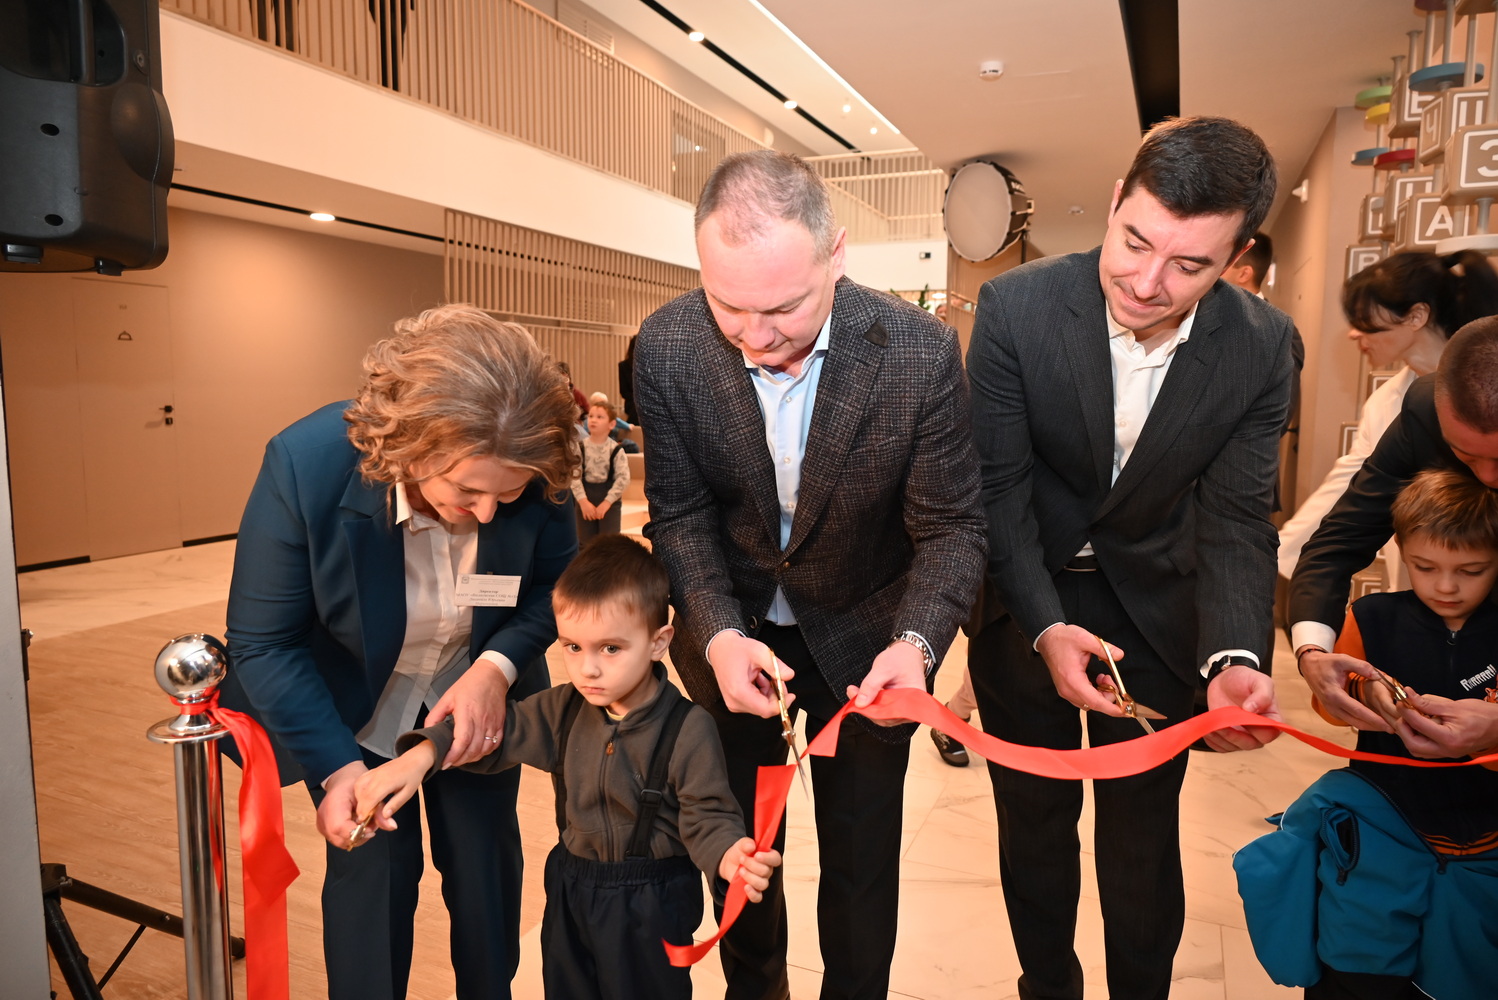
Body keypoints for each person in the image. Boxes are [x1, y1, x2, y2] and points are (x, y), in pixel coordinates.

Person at [634, 149, 987, 1000]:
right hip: (735, 646)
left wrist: (917, 642)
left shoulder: (917, 352)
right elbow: (679, 515)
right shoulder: (669, 346)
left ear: (837, 255)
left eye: (784, 307)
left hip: (870, 645)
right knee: (742, 855)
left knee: (863, 870)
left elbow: (952, 527)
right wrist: (717, 635)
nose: (757, 336)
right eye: (730, 306)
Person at [965, 116, 1290, 1000]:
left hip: (1154, 611)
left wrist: (1232, 656)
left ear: (1236, 256)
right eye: (1134, 240)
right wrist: (1044, 626)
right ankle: (1049, 987)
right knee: (1033, 824)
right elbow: (996, 493)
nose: (1147, 283)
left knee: (1142, 842)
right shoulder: (1016, 309)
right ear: (1114, 202)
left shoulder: (1261, 348)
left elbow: (1233, 516)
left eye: (1189, 266)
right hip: (1025, 603)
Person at [221, 305, 580, 1000]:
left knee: (485, 881)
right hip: (352, 708)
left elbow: (549, 591)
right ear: (410, 446)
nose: (485, 514)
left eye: (504, 495)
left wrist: (494, 669)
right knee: (371, 890)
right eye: (465, 490)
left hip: (475, 704)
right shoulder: (306, 465)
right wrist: (336, 770)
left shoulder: (537, 457)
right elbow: (265, 642)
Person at [351, 535, 782, 1000]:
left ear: (659, 642)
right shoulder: (563, 709)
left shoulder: (690, 728)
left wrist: (727, 855)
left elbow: (708, 815)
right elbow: (493, 731)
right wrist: (419, 757)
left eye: (611, 649)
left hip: (652, 909)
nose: (588, 670)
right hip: (571, 897)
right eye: (572, 647)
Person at [1239, 469, 1498, 999]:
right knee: (1359, 960)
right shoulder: (1372, 617)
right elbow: (1329, 702)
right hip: (1379, 823)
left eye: (1471, 570)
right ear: (1400, 550)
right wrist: (1364, 694)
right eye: (1425, 568)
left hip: (1485, 833)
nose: (1446, 586)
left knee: (1464, 968)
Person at [1290, 316, 1498, 759]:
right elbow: (1338, 542)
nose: (1488, 477)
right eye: (1466, 456)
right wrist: (1312, 654)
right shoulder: (1423, 411)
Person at [1278, 251, 1498, 585]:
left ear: (1416, 316)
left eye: (1365, 319)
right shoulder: (1386, 402)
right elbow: (1347, 487)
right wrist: (1279, 554)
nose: (1353, 334)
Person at [572, 400, 630, 540]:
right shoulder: (580, 448)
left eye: (600, 417)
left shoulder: (615, 450)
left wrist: (607, 502)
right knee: (584, 542)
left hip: (609, 502)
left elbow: (623, 478)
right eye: (591, 416)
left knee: (609, 543)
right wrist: (583, 501)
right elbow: (573, 476)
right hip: (585, 499)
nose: (593, 420)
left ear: (611, 424)